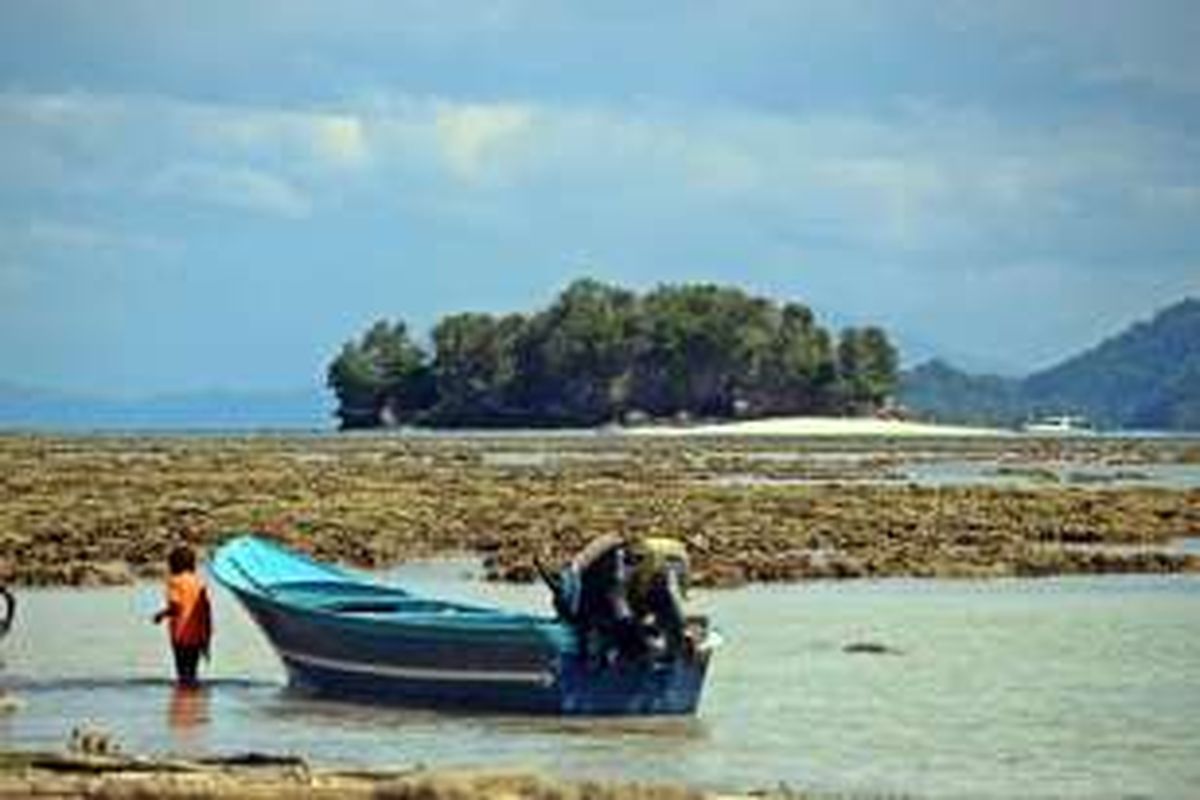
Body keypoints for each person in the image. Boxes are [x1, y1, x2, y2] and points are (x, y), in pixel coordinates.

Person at [542, 533, 690, 662]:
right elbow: (620, 600)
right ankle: (661, 640)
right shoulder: (610, 569)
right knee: (628, 618)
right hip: (599, 589)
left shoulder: (618, 567)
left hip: (604, 587)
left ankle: (664, 640)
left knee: (634, 614)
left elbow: (620, 600)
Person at [152, 544, 212, 687]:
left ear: (173, 565)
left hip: (181, 635)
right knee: (192, 672)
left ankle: (183, 704)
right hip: (198, 635)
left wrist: (161, 615)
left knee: (182, 674)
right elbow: (207, 611)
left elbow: (176, 606)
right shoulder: (199, 583)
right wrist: (206, 639)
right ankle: (194, 703)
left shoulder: (175, 581)